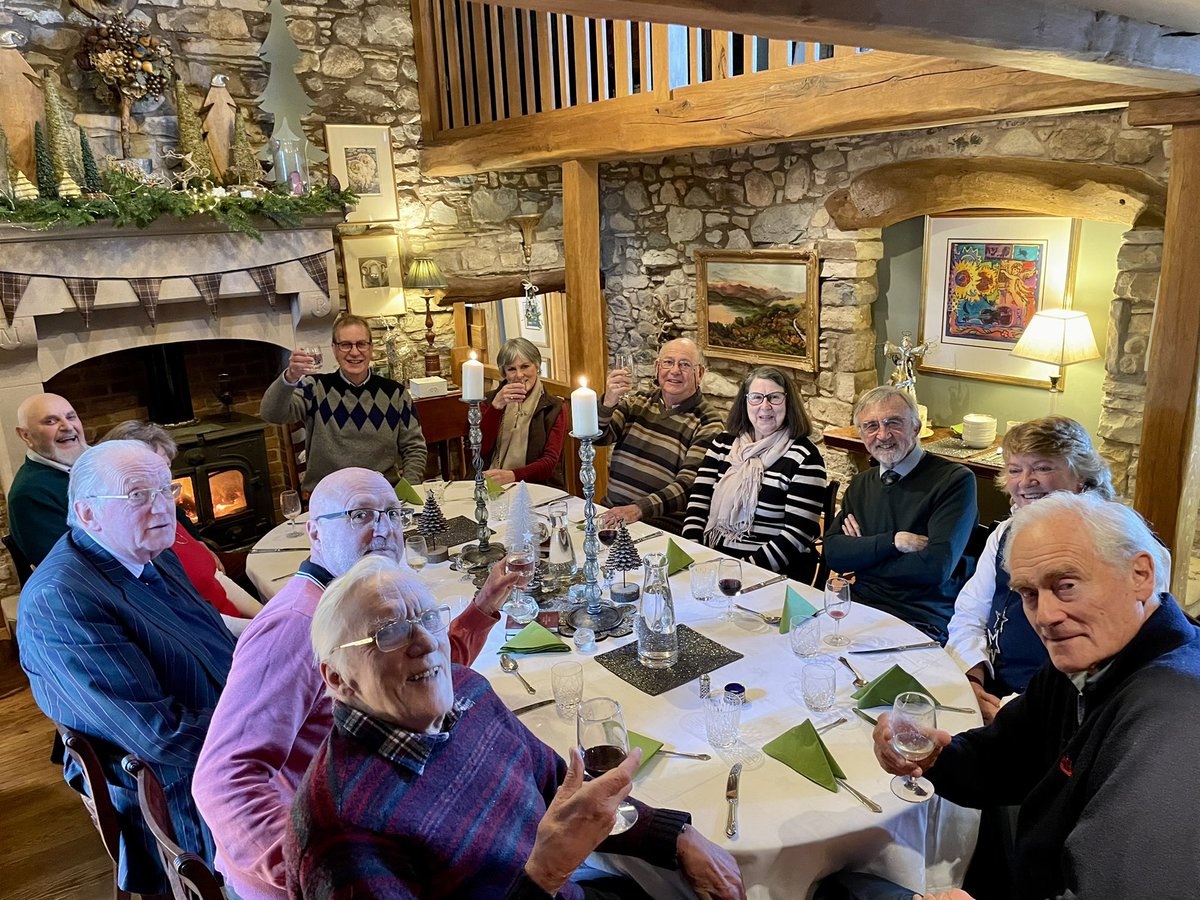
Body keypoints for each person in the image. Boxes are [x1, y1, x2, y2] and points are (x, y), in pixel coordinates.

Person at [284, 555, 745, 899]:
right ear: (337, 678)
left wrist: (675, 836)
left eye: (427, 618)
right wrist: (545, 873)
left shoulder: (469, 691)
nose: (426, 643)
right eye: (389, 632)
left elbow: (556, 785)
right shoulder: (342, 829)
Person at [194, 467, 519, 900]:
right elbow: (224, 779)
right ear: (314, 532)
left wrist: (483, 606)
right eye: (360, 516)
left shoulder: (363, 606)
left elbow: (416, 677)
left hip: (383, 822)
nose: (384, 530)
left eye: (391, 513)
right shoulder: (296, 627)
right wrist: (316, 872)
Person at [871, 492, 1200, 900]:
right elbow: (1008, 757)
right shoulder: (1088, 662)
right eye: (1029, 594)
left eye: (1065, 585)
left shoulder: (1173, 710)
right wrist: (938, 757)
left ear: (1141, 575)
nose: (1045, 616)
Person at [17, 441, 235, 896]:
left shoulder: (151, 552)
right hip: (183, 792)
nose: (163, 507)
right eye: (138, 495)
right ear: (88, 513)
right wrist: (276, 722)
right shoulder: (61, 601)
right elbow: (162, 736)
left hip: (223, 733)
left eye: (165, 489)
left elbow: (213, 643)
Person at [946, 416, 1115, 724]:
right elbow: (970, 613)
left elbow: (1105, 662)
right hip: (989, 693)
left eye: (1042, 467)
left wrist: (1015, 711)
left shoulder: (1110, 542)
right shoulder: (1005, 533)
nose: (1025, 482)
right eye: (1015, 469)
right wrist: (972, 678)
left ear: (1082, 474)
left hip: (1059, 715)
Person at [822, 386, 976, 641]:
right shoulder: (861, 484)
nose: (882, 435)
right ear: (861, 434)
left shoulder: (954, 481)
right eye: (871, 426)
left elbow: (935, 568)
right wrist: (893, 542)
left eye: (893, 422)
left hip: (921, 618)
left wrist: (864, 556)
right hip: (858, 607)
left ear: (916, 428)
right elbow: (834, 554)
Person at [102, 420, 263, 632]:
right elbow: (194, 622)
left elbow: (215, 578)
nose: (163, 489)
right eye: (149, 475)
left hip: (243, 628)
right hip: (220, 641)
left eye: (166, 470)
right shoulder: (137, 549)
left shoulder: (167, 519)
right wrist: (264, 629)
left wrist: (265, 615)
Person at [682, 366, 827, 581]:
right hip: (712, 564)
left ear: (789, 403)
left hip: (772, 574)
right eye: (756, 397)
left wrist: (742, 571)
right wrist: (694, 553)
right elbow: (698, 504)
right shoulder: (722, 445)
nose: (765, 406)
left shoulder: (805, 457)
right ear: (745, 402)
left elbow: (796, 536)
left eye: (775, 397)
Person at [260, 314, 427, 495]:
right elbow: (271, 414)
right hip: (329, 497)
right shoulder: (314, 387)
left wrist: (407, 490)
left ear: (371, 348)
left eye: (361, 344)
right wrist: (290, 377)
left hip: (382, 494)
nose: (354, 352)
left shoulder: (395, 393)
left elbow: (415, 448)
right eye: (345, 345)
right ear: (334, 349)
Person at [598, 338, 724, 533]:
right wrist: (608, 402)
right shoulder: (637, 402)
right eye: (668, 362)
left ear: (699, 374)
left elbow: (687, 486)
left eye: (684, 364)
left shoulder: (708, 423)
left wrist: (638, 509)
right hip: (611, 513)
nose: (674, 371)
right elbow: (599, 438)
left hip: (659, 527)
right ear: (657, 367)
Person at [7, 392, 88, 566]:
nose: (67, 426)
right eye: (50, 421)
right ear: (25, 435)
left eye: (71, 417)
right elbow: (67, 565)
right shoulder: (30, 494)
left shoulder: (95, 463)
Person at [481, 337, 566, 486]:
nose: (519, 375)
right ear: (504, 373)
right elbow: (480, 449)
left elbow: (550, 462)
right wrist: (496, 408)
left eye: (525, 366)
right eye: (512, 369)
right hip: (489, 481)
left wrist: (513, 475)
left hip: (536, 486)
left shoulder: (554, 407)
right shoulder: (488, 401)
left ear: (537, 366)